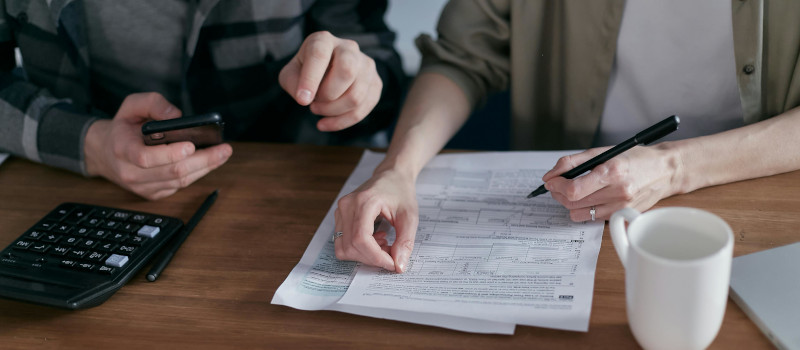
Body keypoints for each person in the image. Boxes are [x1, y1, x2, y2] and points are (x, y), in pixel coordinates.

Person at [332, 0, 800, 272]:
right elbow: (462, 56)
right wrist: (398, 169)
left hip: (754, 196)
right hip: (573, 214)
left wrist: (673, 166)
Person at [0, 0, 405, 200]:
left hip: (292, 189)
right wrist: (89, 143)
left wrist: (357, 84)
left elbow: (379, 61)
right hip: (76, 193)